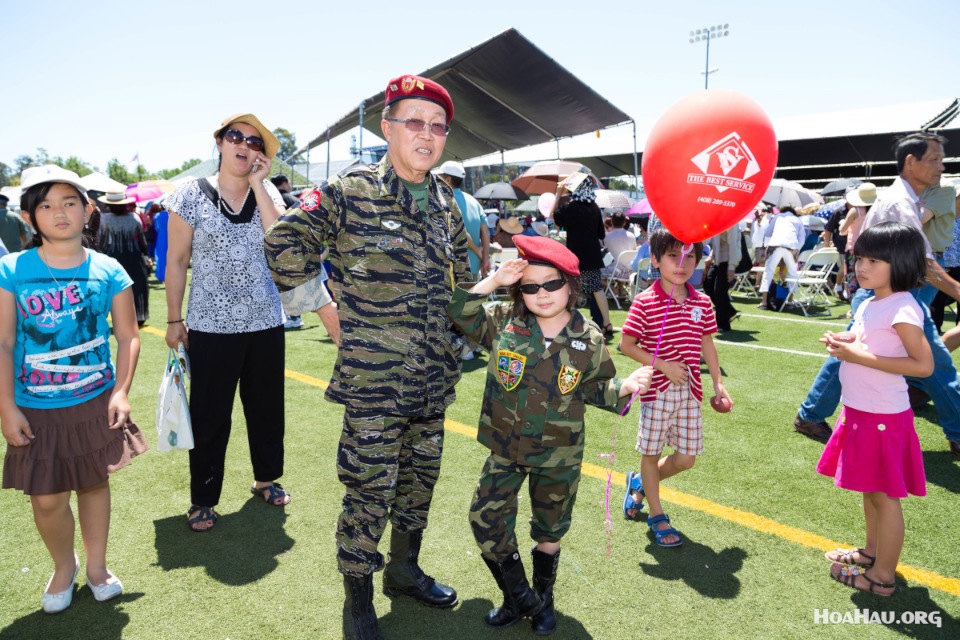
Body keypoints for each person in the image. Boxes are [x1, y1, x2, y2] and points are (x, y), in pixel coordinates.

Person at [264, 74, 468, 640]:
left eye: (437, 126)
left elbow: (464, 282)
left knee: (419, 480)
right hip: (374, 381)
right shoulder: (348, 190)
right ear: (388, 127)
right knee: (369, 487)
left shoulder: (448, 200)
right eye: (414, 122)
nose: (426, 135)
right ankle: (358, 596)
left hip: (432, 380)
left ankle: (403, 569)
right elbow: (283, 245)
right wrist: (331, 319)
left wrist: (463, 336)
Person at [448, 234, 652, 634]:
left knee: (549, 530)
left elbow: (596, 389)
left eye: (551, 284)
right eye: (529, 287)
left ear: (571, 285)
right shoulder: (503, 322)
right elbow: (458, 309)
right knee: (485, 518)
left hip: (559, 454)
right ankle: (521, 598)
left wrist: (625, 387)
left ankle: (544, 599)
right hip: (506, 448)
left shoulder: (589, 337)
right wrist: (493, 280)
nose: (541, 294)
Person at [0, 165, 147, 613]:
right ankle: (64, 566)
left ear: (88, 211)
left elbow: (128, 336)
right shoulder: (10, 270)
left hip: (93, 402)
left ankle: (97, 567)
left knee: (93, 483)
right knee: (46, 498)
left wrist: (120, 391)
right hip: (35, 406)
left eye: (69, 202)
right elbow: (4, 342)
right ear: (28, 217)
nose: (59, 213)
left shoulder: (109, 270)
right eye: (45, 205)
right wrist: (6, 407)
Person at [794, 132, 960, 457]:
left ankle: (810, 415)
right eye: (935, 159)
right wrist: (956, 289)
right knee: (936, 364)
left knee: (848, 353)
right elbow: (924, 261)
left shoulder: (910, 199)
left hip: (896, 295)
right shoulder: (900, 202)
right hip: (895, 295)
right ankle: (957, 430)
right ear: (911, 162)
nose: (941, 167)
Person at [163, 113, 291, 534]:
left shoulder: (268, 191)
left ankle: (266, 478)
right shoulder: (190, 194)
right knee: (209, 413)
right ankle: (203, 499)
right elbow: (177, 261)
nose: (245, 146)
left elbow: (281, 242)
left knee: (266, 407)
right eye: (237, 137)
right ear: (220, 142)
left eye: (256, 143)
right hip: (210, 325)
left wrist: (258, 184)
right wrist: (173, 319)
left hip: (265, 321)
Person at [816, 222, 933, 597]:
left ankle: (883, 576)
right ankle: (871, 552)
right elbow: (871, 342)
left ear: (899, 263)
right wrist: (847, 340)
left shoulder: (903, 307)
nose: (861, 266)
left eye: (873, 260)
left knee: (885, 497)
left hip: (883, 416)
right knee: (871, 489)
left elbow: (922, 366)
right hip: (862, 412)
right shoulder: (870, 301)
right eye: (859, 258)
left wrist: (856, 354)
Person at [619, 228, 731, 547]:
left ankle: (640, 483)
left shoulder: (703, 302)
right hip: (656, 391)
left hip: (690, 392)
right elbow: (627, 345)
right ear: (654, 260)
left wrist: (718, 384)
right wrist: (663, 365)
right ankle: (656, 514)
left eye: (689, 256)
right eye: (672, 255)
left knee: (686, 459)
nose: (681, 263)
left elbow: (706, 342)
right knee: (651, 453)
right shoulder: (645, 301)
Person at [552, 177, 615, 338]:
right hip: (592, 254)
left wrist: (558, 194)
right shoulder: (594, 207)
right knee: (596, 288)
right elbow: (601, 233)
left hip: (575, 255)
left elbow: (554, 219)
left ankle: (568, 323)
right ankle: (606, 323)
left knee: (571, 288)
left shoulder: (572, 207)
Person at [97, 192, 151, 325]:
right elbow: (142, 241)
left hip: (114, 256)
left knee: (116, 288)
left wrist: (100, 254)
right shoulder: (134, 217)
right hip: (134, 256)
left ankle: (120, 317)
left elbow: (102, 241)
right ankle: (139, 315)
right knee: (138, 286)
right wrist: (146, 255)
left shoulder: (104, 218)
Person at [438, 160, 489, 278]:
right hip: (474, 267)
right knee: (469, 297)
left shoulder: (443, 200)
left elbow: (458, 228)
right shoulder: (473, 201)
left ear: (448, 180)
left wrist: (477, 250)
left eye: (439, 177)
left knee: (456, 297)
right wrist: (485, 258)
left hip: (453, 267)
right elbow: (485, 231)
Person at [758, 205, 805, 310]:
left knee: (768, 272)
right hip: (792, 246)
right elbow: (802, 238)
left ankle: (764, 301)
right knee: (792, 274)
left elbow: (767, 232)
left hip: (775, 244)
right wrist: (797, 249)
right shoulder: (797, 220)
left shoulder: (778, 217)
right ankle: (790, 301)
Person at [703, 224, 743, 331]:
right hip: (716, 259)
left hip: (727, 260)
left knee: (719, 291)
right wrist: (711, 256)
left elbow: (734, 245)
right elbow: (716, 242)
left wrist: (731, 267)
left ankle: (723, 324)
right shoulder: (717, 221)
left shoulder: (731, 223)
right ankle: (730, 312)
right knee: (708, 287)